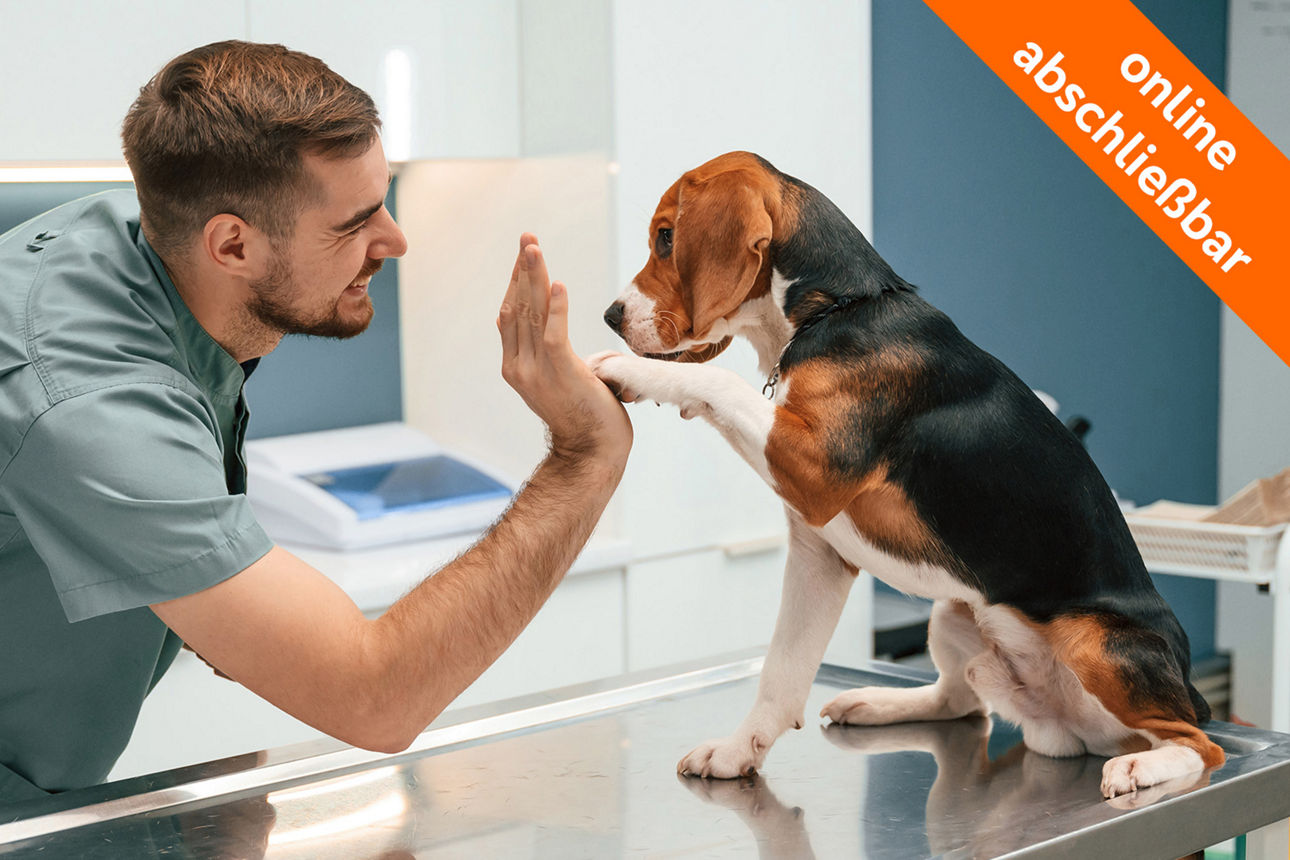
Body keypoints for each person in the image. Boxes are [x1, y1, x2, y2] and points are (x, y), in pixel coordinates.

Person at [0, 40, 631, 799]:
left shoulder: (146, 245)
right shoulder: (89, 401)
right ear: (231, 244)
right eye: (355, 222)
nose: (395, 242)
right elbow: (377, 697)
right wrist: (584, 455)